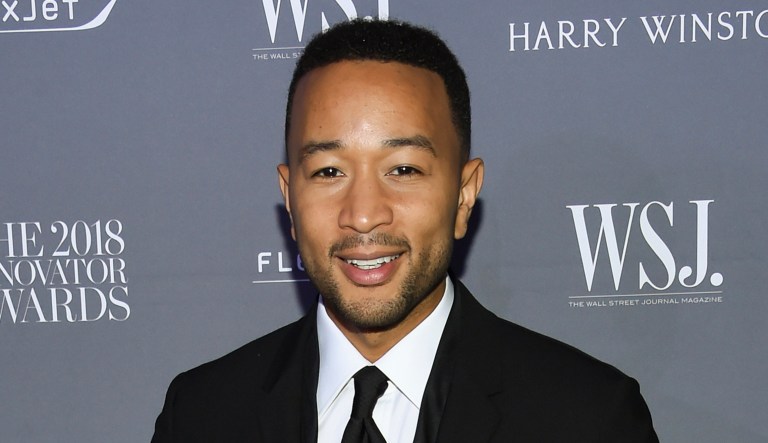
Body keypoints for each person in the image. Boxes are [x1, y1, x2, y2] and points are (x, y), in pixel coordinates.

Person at [152, 19, 658, 442]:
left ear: (463, 195)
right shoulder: (201, 416)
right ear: (289, 198)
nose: (365, 213)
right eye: (329, 171)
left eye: (404, 170)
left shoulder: (587, 418)